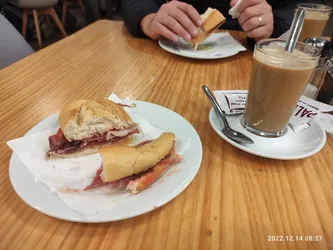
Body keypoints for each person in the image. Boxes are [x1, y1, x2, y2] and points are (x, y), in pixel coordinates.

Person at [121, 0, 325, 42]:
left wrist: (274, 27)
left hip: (256, 58)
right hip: (172, 48)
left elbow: (310, 5)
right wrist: (148, 19)